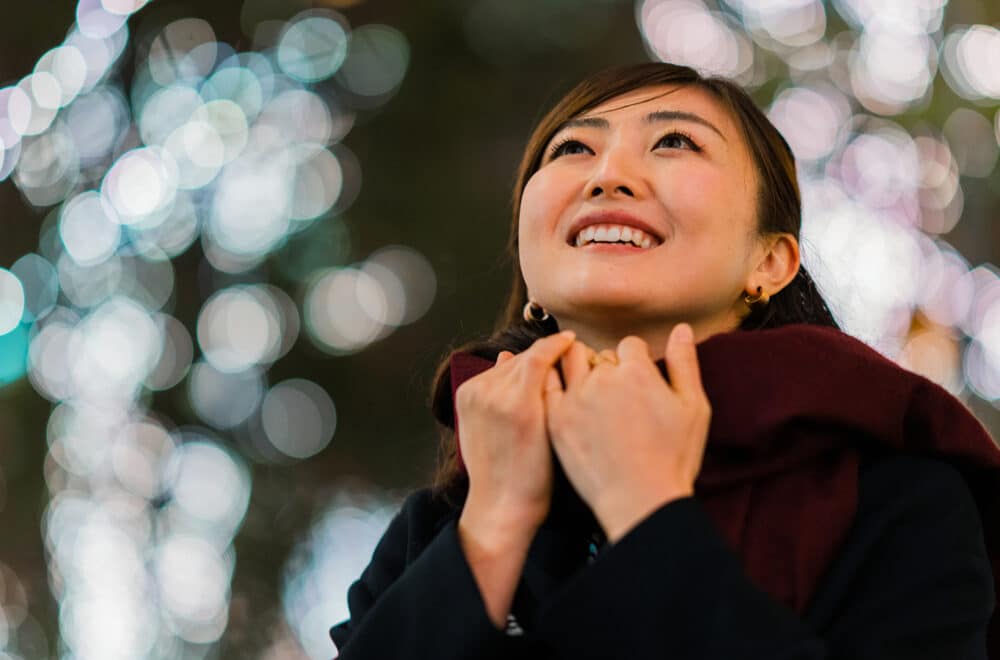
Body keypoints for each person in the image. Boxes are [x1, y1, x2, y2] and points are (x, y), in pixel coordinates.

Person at [328, 62, 1000, 659]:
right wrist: (493, 527)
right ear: (530, 275)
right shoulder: (439, 526)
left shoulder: (895, 499)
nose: (607, 175)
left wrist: (649, 517)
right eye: (572, 148)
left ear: (770, 262)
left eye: (674, 141)